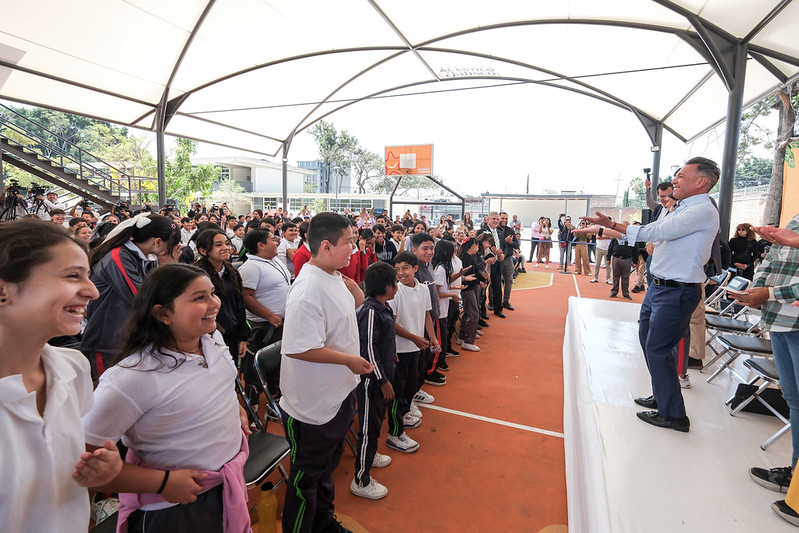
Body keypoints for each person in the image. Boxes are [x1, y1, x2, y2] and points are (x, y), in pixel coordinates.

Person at [82, 263, 251, 533]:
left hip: (224, 486)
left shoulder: (212, 339)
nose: (214, 303)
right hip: (173, 505)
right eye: (199, 297)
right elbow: (83, 462)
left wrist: (235, 409)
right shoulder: (132, 377)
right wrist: (162, 483)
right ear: (163, 314)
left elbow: (219, 384)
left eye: (212, 293)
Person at [575, 157, 720, 432]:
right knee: (649, 343)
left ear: (701, 181)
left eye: (681, 176)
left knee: (658, 348)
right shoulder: (680, 208)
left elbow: (655, 232)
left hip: (676, 290)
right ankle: (662, 395)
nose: (675, 180)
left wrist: (609, 227)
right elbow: (654, 234)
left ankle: (674, 415)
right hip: (660, 287)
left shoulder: (701, 210)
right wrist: (612, 226)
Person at [0, 220, 122, 533]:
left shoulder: (73, 369)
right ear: (3, 291)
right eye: (72, 276)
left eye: (88, 276)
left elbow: (67, 469)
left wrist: (100, 472)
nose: (92, 291)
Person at [279, 212, 373, 533]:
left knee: (325, 470)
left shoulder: (332, 275)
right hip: (313, 406)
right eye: (349, 242)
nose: (354, 249)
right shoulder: (307, 290)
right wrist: (348, 361)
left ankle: (323, 523)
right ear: (326, 246)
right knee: (306, 480)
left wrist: (355, 291)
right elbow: (299, 347)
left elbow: (350, 308)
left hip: (337, 394)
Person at [733, 222, 799, 501]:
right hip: (780, 322)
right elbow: (771, 258)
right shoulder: (795, 219)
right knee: (793, 399)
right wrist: (757, 291)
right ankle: (795, 475)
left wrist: (770, 294)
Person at [81, 213, 181, 379]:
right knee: (108, 393)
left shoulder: (142, 259)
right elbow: (142, 297)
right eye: (172, 245)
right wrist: (165, 270)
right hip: (107, 343)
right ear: (157, 242)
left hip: (129, 340)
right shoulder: (118, 256)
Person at [351, 262, 398, 500]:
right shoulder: (370, 311)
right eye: (395, 283)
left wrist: (392, 354)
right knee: (368, 428)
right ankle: (361, 479)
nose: (397, 286)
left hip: (382, 375)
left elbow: (382, 342)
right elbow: (368, 350)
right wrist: (383, 381)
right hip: (372, 381)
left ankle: (370, 456)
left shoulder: (383, 307)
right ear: (386, 286)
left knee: (376, 421)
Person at [386, 251, 437, 453]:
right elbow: (391, 324)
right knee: (397, 392)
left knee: (411, 385)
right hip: (400, 349)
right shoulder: (395, 292)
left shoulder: (423, 289)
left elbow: (426, 315)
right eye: (397, 269)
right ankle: (394, 433)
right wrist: (414, 337)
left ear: (416, 268)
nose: (401, 273)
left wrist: (432, 337)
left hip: (417, 347)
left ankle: (404, 414)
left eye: (405, 268)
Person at [239, 228, 291, 402]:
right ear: (261, 245)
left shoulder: (273, 260)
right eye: (272, 240)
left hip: (279, 322)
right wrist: (269, 316)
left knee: (277, 363)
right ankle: (252, 403)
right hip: (263, 325)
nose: (276, 242)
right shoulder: (251, 267)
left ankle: (275, 395)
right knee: (258, 366)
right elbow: (246, 297)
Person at [194, 228, 249, 367]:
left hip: (232, 333)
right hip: (207, 336)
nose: (225, 248)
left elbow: (239, 305)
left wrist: (243, 337)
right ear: (203, 251)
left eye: (227, 244)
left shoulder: (231, 272)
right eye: (218, 245)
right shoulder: (196, 275)